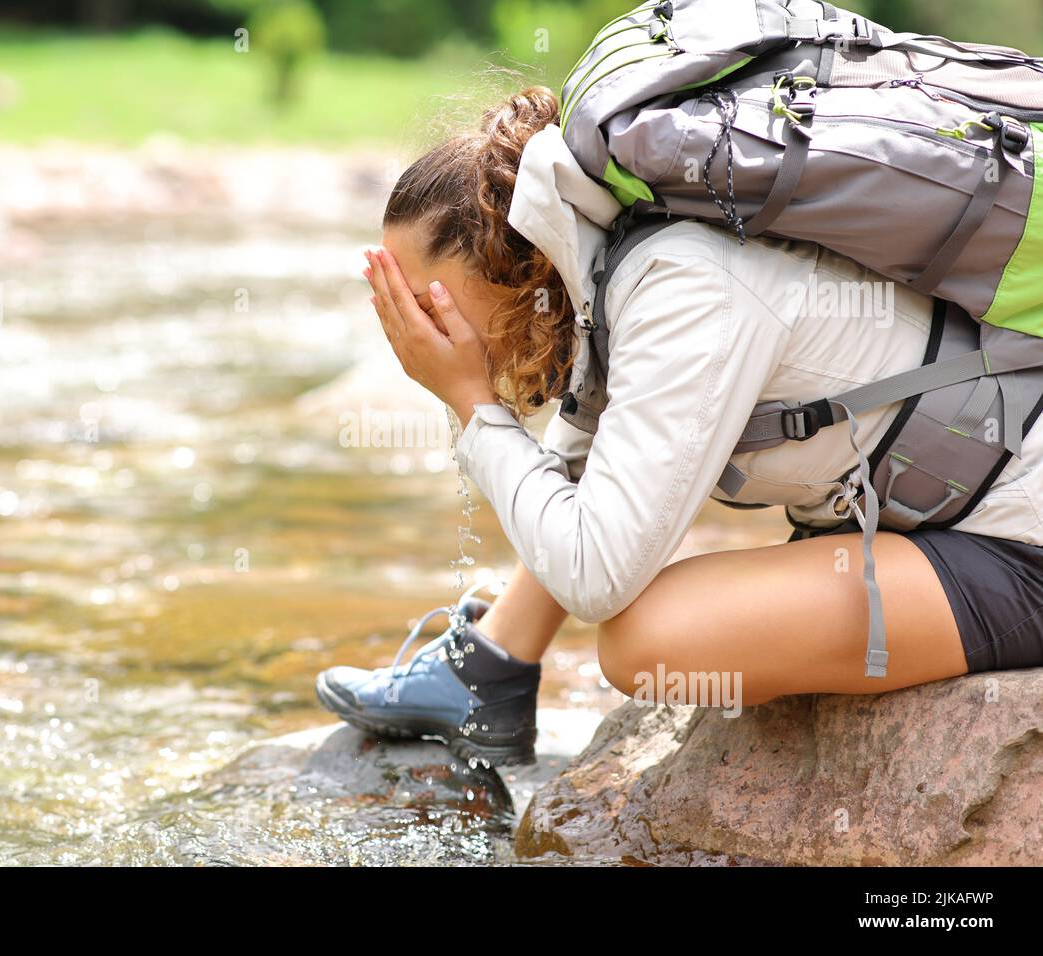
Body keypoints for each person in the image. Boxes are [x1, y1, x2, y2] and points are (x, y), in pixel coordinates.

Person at [313, 86, 1043, 767]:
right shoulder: (626, 248)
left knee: (645, 641)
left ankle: (491, 672)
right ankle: (490, 670)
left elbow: (595, 576)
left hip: (1020, 547)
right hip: (964, 490)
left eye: (420, 303)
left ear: (507, 266)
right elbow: (594, 447)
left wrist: (474, 404)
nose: (410, 330)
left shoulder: (685, 289)